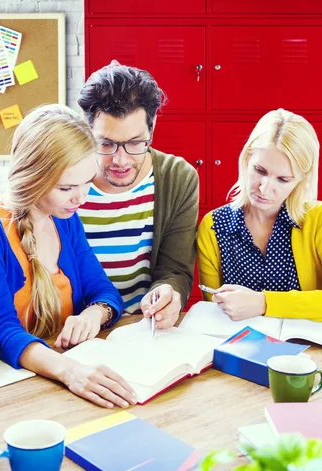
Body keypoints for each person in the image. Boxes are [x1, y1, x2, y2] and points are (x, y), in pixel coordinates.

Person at [0, 104, 137, 409]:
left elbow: (103, 291)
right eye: (66, 187)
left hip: (61, 377)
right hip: (9, 386)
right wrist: (71, 372)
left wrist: (95, 313)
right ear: (33, 177)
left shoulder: (65, 216)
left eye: (87, 183)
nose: (81, 198)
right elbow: (2, 329)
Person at [76, 60, 198, 329]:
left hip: (141, 328)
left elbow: (175, 270)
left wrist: (170, 292)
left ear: (152, 129)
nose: (120, 160)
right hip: (73, 327)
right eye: (106, 144)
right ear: (87, 132)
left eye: (135, 143)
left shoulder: (177, 177)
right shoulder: (65, 179)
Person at [197, 109, 322, 321]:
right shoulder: (213, 226)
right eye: (260, 171)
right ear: (246, 159)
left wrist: (263, 303)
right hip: (238, 347)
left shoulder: (317, 219)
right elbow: (214, 313)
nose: (264, 189)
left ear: (301, 181)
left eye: (282, 180)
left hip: (304, 351)